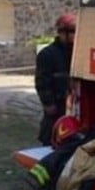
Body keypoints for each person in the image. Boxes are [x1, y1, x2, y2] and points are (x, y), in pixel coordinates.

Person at [34, 13, 76, 144]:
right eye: (73, 32)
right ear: (63, 33)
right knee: (52, 135)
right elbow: (42, 81)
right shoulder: (47, 54)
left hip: (74, 105)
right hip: (57, 104)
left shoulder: (77, 52)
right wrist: (48, 103)